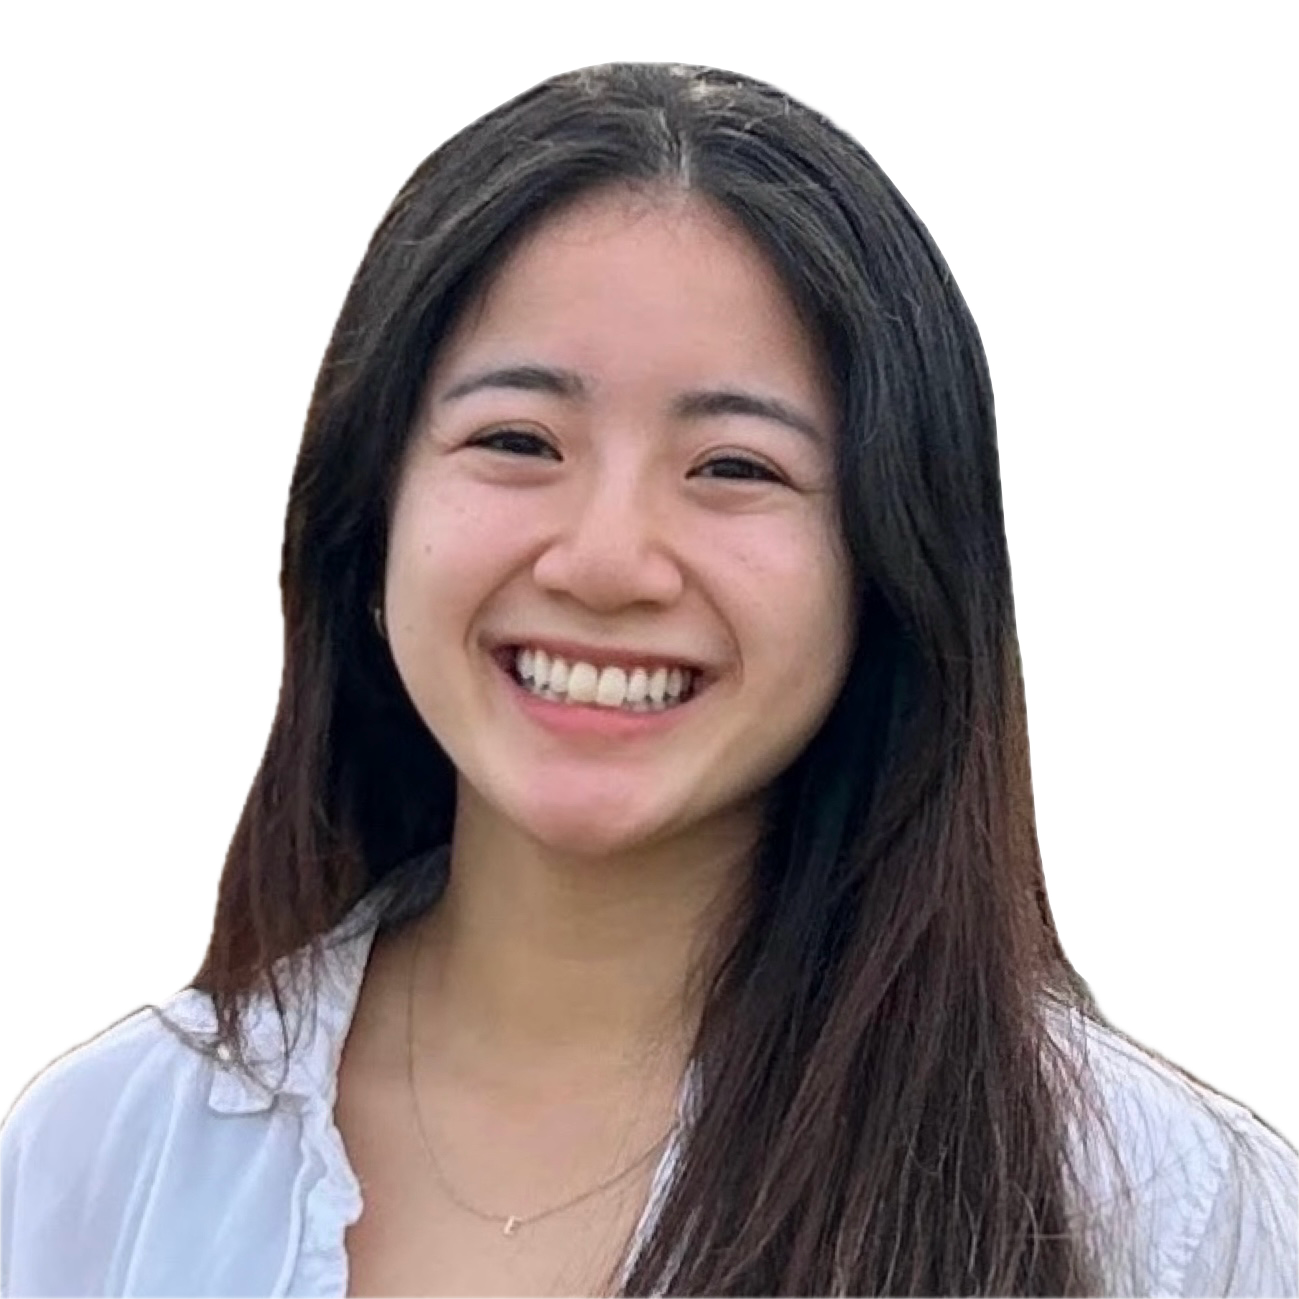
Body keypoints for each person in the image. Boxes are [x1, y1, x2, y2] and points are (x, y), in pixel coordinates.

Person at [1, 58, 1295, 1299]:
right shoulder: (100, 1153)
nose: (607, 560)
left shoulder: (1161, 1210)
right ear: (367, 518)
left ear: (890, 565)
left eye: (733, 466)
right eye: (519, 439)